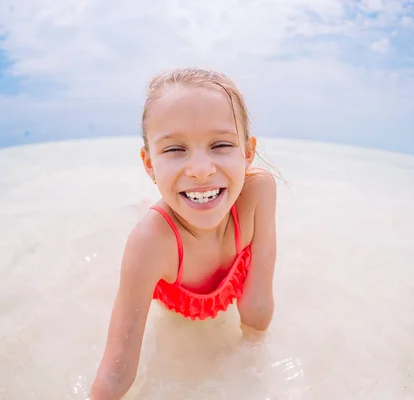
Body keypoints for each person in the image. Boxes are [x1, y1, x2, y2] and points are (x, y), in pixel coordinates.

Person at [89, 67, 278, 400]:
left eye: (221, 145)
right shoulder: (149, 243)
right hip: (166, 255)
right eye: (175, 150)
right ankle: (143, 205)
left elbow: (258, 300)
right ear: (149, 165)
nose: (202, 170)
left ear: (248, 152)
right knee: (149, 222)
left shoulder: (257, 192)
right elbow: (117, 369)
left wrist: (254, 363)